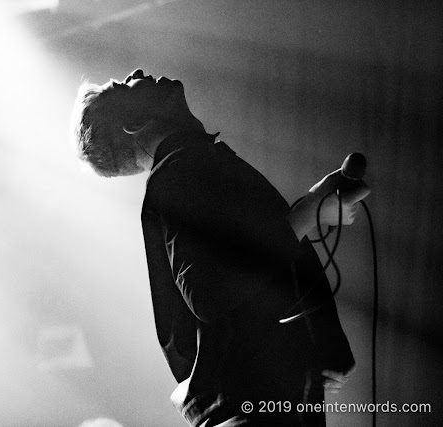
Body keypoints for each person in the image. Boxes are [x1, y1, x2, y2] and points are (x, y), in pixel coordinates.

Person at [71, 69, 370, 426]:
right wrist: (308, 214)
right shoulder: (177, 177)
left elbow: (246, 273)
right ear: (134, 123)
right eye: (123, 85)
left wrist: (316, 345)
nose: (136, 73)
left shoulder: (189, 169)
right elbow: (210, 294)